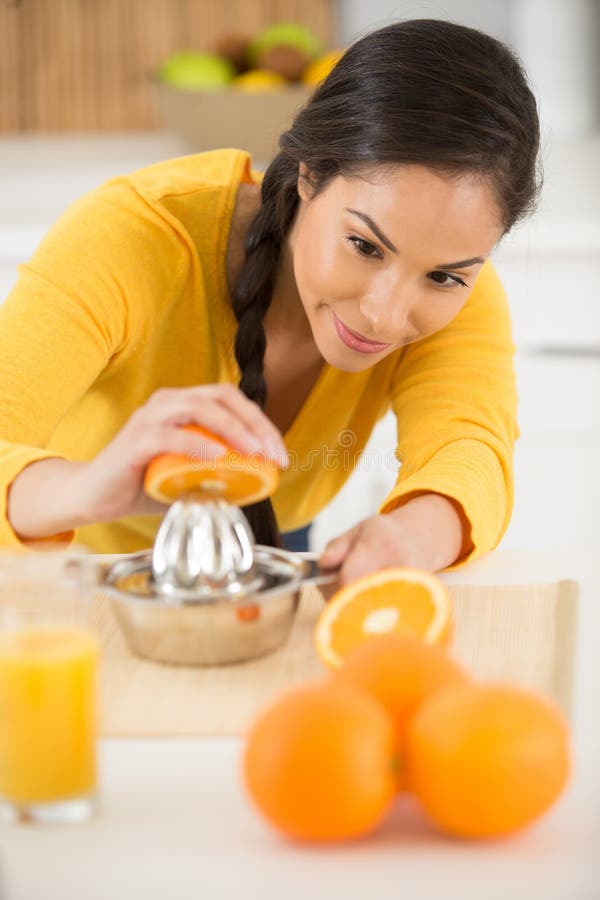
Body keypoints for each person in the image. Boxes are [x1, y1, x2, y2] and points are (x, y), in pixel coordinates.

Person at [0, 19, 541, 585]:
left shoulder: (460, 286)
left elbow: (470, 450)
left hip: (269, 547)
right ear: (310, 175)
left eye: (443, 277)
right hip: (68, 559)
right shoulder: (129, 237)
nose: (384, 313)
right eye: (363, 245)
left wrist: (411, 536)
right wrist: (88, 488)